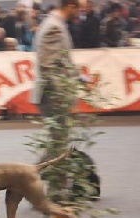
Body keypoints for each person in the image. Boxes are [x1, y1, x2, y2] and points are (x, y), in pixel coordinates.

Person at [30, 0, 90, 184]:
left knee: (58, 143)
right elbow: (48, 66)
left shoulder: (56, 25)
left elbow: (63, 61)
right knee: (58, 144)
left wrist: (82, 79)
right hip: (53, 95)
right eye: (79, 9)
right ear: (70, 5)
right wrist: (62, 94)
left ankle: (43, 185)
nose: (81, 13)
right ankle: (33, 183)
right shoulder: (54, 28)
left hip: (54, 94)